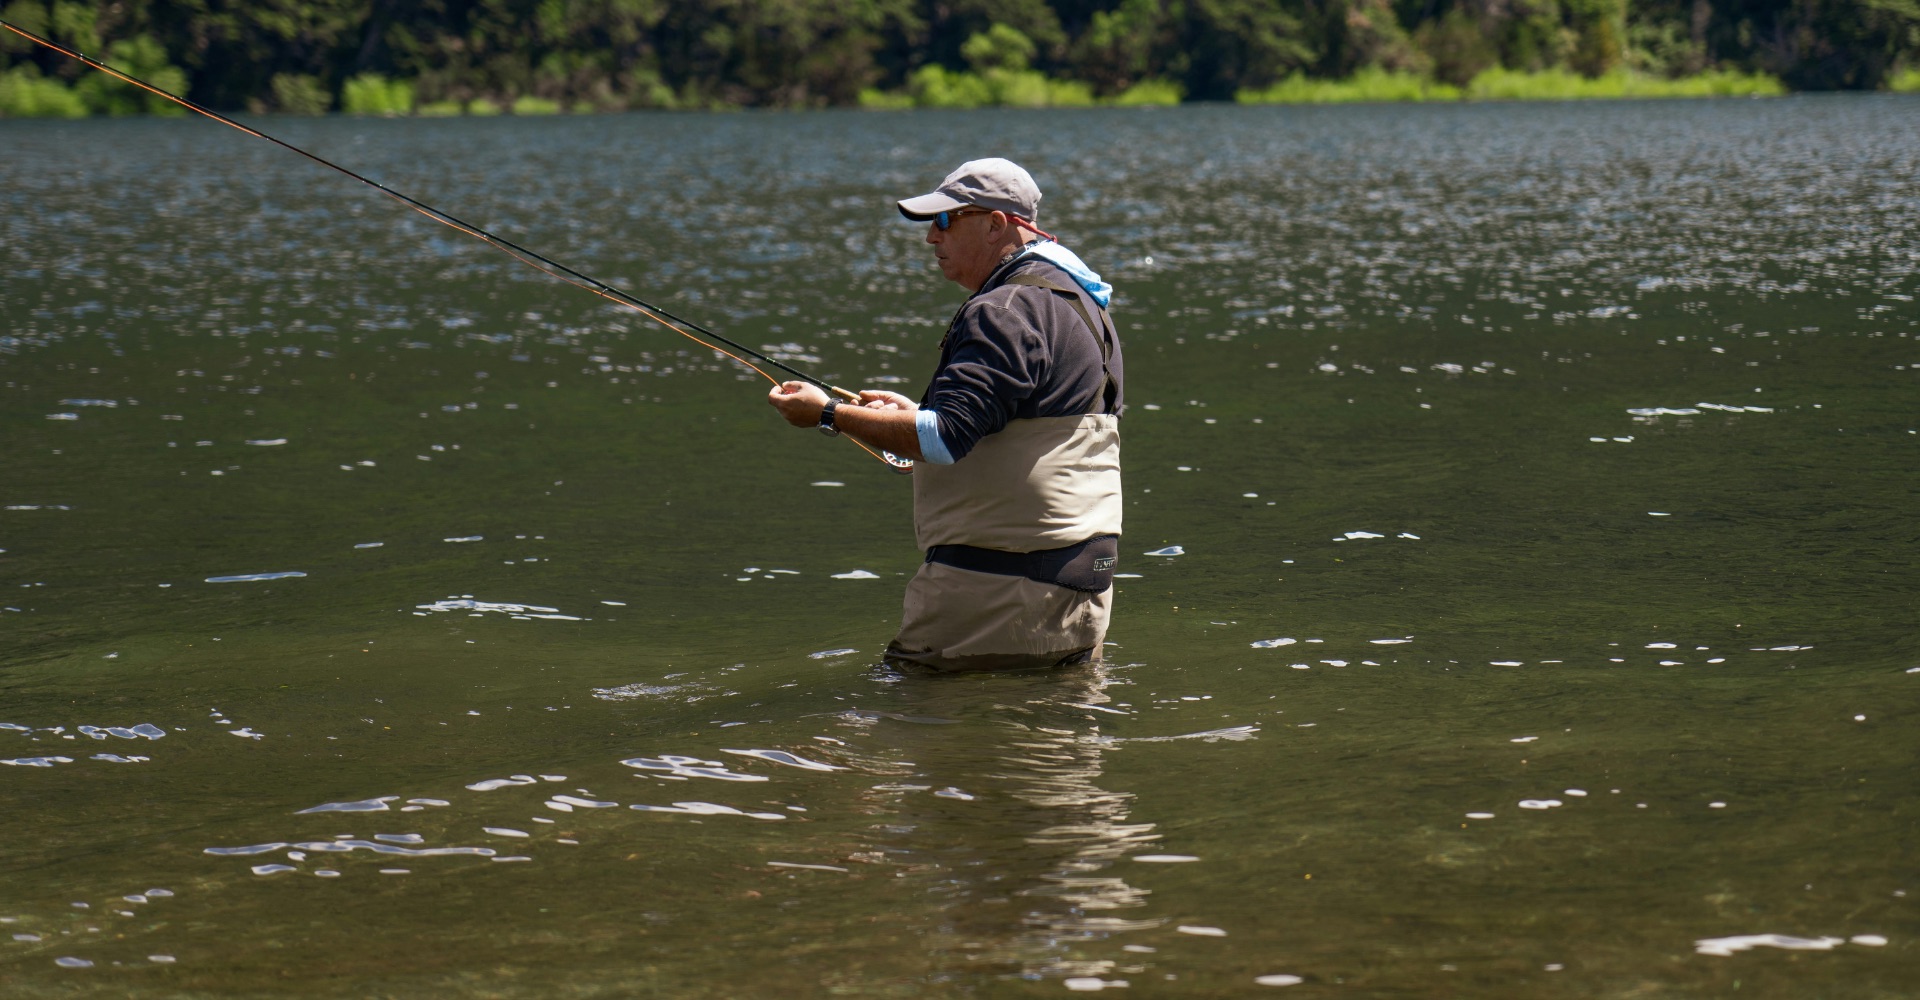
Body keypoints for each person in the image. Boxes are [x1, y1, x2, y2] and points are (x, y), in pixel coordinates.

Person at [769, 157, 1124, 671]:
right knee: (1049, 717)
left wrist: (827, 413)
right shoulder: (1082, 305)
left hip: (997, 589)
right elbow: (1018, 427)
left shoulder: (1004, 310)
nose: (931, 237)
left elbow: (945, 438)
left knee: (916, 706)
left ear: (996, 224)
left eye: (944, 220)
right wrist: (915, 416)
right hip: (1080, 583)